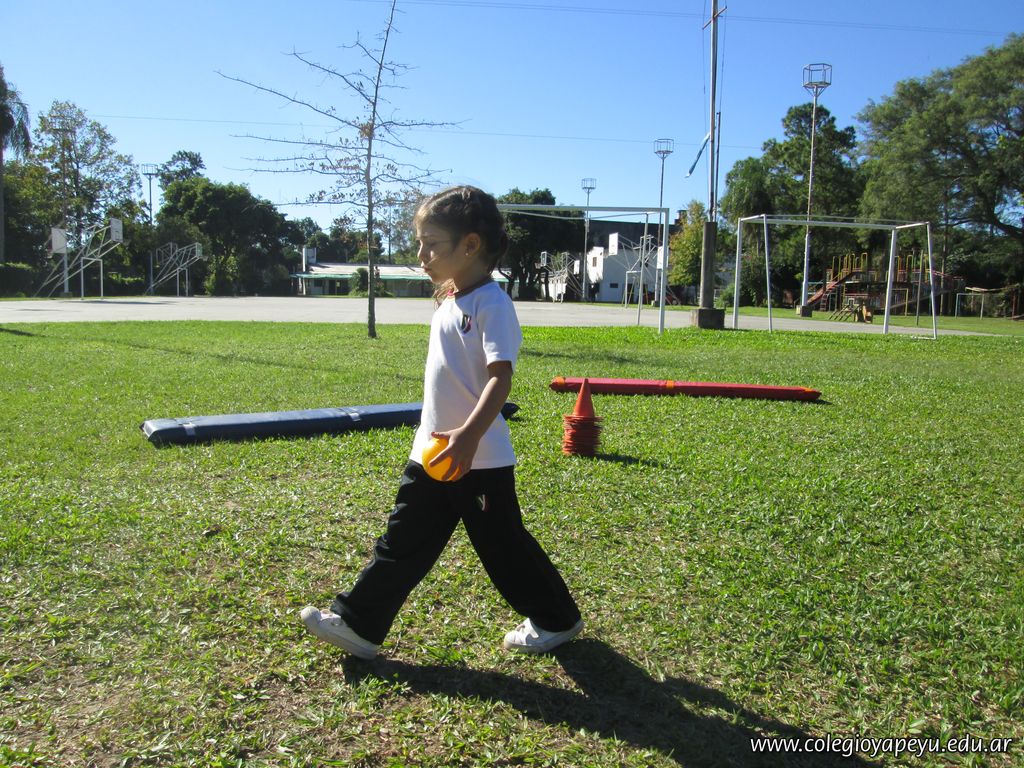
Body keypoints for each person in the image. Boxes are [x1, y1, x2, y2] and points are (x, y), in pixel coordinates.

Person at [301, 185, 583, 659]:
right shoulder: (450, 301)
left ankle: (556, 620)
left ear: (470, 245)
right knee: (402, 541)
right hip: (433, 452)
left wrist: (468, 437)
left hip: (479, 458)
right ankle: (360, 625)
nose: (421, 255)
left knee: (504, 547)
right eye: (420, 243)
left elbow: (501, 379)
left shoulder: (492, 304)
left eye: (431, 244)